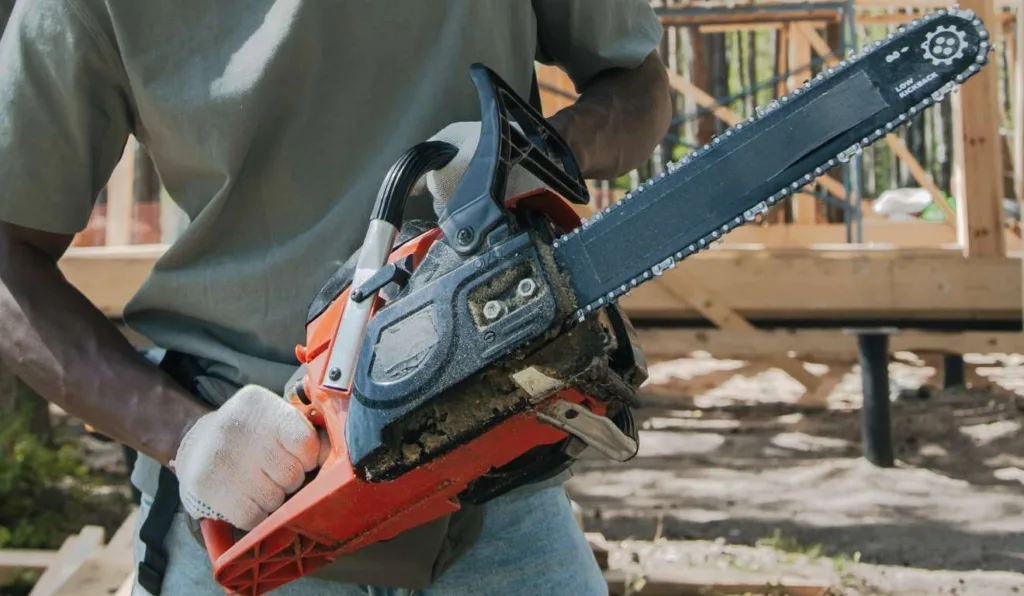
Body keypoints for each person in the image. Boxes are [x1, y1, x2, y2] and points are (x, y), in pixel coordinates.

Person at [0, 1, 672, 594]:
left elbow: (641, 91)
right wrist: (183, 434)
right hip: (254, 505)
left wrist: (539, 150)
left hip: (497, 491)